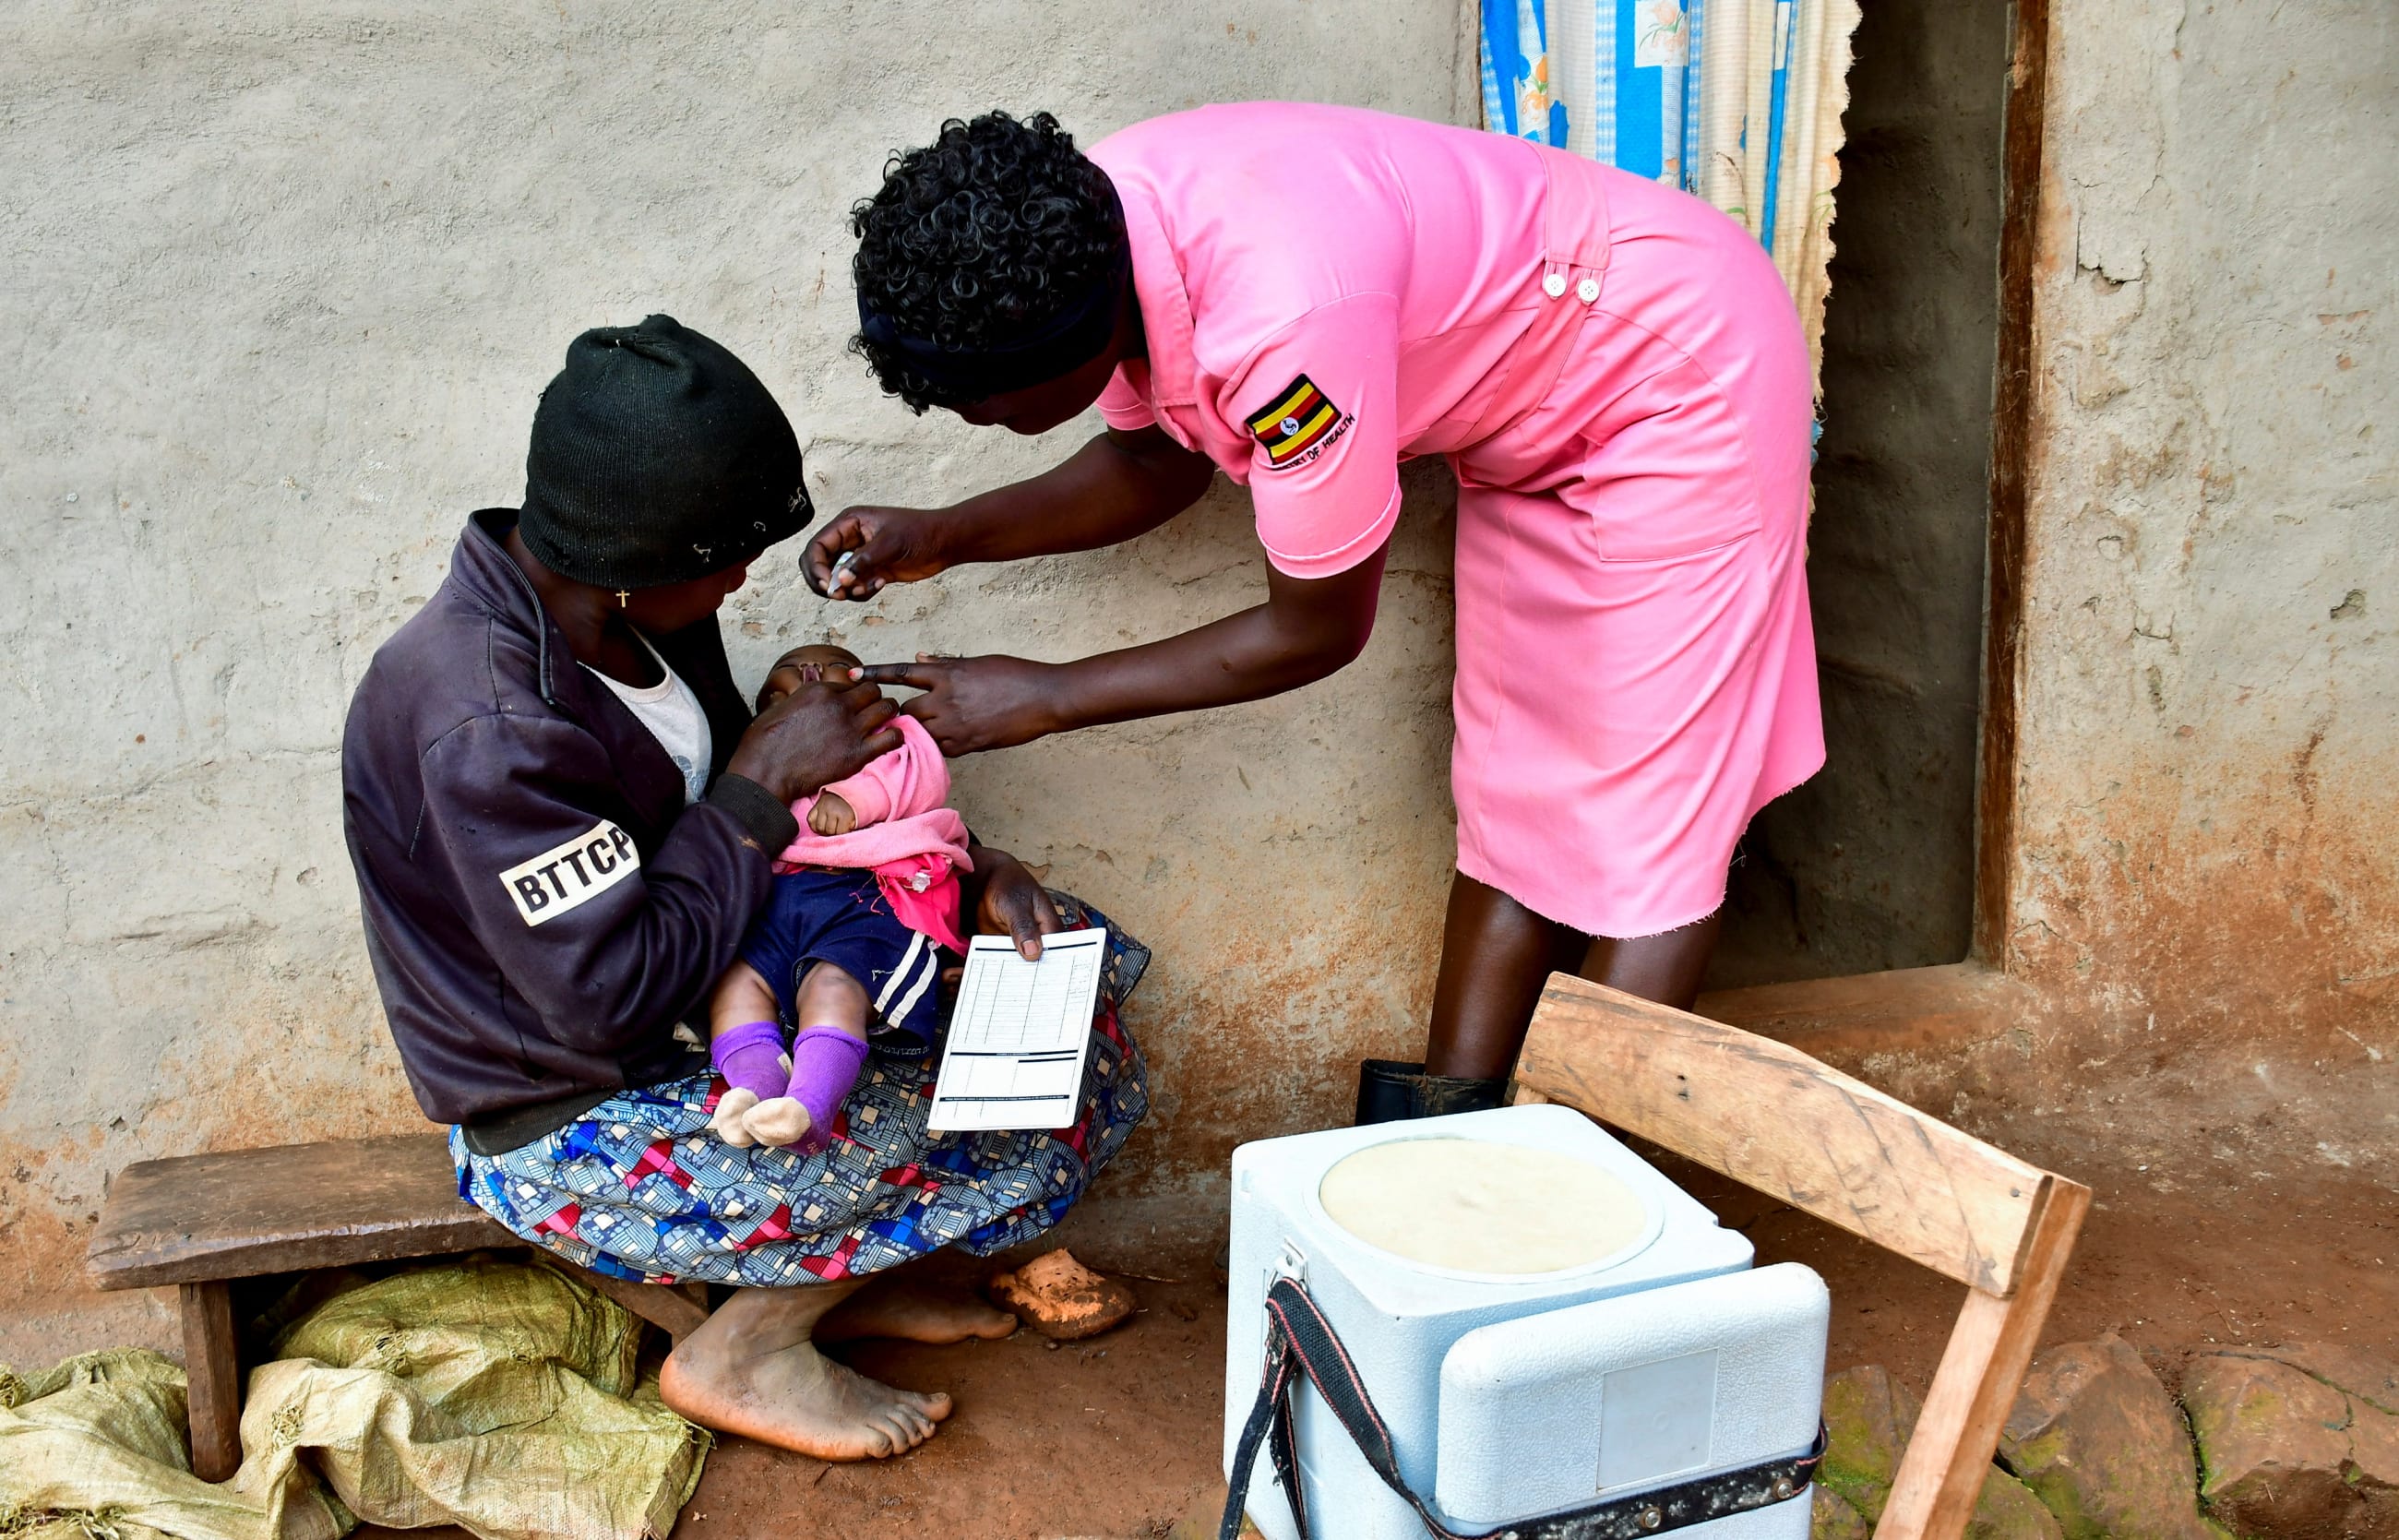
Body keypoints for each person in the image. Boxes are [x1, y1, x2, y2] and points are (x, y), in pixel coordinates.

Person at [808, 106, 1822, 1119]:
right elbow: (1147, 460)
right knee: (1514, 787)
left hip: (1670, 372)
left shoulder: (1283, 332)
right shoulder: (1084, 224)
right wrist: (945, 534)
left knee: (1654, 823)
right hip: (1531, 422)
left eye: (978, 404)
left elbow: (1316, 630)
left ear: (1069, 354)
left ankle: (1581, 1199)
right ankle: (1435, 1143)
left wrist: (1046, 695)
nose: (967, 419)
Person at [340, 315, 1151, 1461]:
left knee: (1066, 976)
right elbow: (608, 996)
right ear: (634, 564)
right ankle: (746, 1348)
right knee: (1032, 1100)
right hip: (577, 1118)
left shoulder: (634, 622)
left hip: (723, 998)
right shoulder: (486, 725)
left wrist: (970, 871)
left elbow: (791, 857)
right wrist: (762, 780)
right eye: (728, 558)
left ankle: (845, 1280)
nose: (745, 581)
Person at [706, 643, 971, 1152]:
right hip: (777, 901)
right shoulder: (756, 757)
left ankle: (809, 1107)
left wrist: (856, 799)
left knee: (835, 983)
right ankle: (752, 1088)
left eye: (830, 670)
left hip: (862, 899)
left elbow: (920, 776)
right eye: (785, 678)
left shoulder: (892, 739)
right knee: (734, 983)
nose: (807, 673)